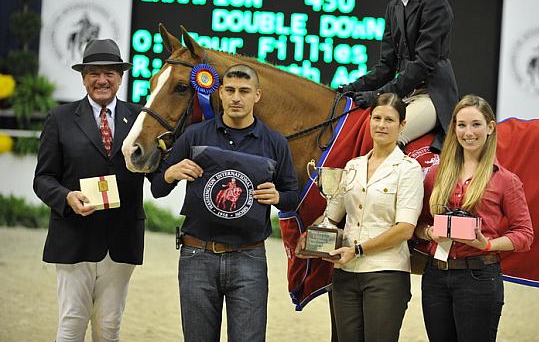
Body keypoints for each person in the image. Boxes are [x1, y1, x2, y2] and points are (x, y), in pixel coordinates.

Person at [150, 64, 299, 342]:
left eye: (244, 91)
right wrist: (170, 173)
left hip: (249, 258)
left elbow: (293, 194)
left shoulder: (275, 142)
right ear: (220, 93)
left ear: (257, 95)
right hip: (197, 256)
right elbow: (158, 188)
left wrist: (279, 197)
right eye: (229, 90)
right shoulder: (194, 136)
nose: (235, 98)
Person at [33, 39, 145, 341]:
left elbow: (155, 169)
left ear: (121, 77)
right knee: (72, 322)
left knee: (109, 327)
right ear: (83, 77)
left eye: (109, 73)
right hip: (74, 235)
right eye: (94, 73)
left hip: (121, 238)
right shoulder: (60, 118)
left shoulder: (139, 119)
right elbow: (43, 178)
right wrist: (66, 197)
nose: (102, 80)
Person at [297, 92, 424, 341]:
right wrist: (310, 236)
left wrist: (357, 250)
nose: (381, 125)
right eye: (377, 118)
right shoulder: (353, 166)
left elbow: (405, 229)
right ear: (369, 121)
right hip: (346, 274)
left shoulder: (409, 170)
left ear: (402, 125)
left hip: (385, 275)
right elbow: (331, 216)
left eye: (389, 120)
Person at [415, 95, 534, 342]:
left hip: (479, 278)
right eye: (461, 125)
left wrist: (488, 245)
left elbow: (524, 235)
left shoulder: (505, 180)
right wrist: (429, 234)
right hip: (436, 277)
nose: (468, 132)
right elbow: (418, 224)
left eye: (476, 124)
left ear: (490, 127)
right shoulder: (437, 174)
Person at [339, 0, 459, 152]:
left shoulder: (436, 4)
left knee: (389, 134)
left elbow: (422, 64)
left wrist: (379, 94)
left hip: (430, 96)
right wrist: (351, 88)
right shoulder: (394, 7)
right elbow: (386, 66)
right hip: (402, 95)